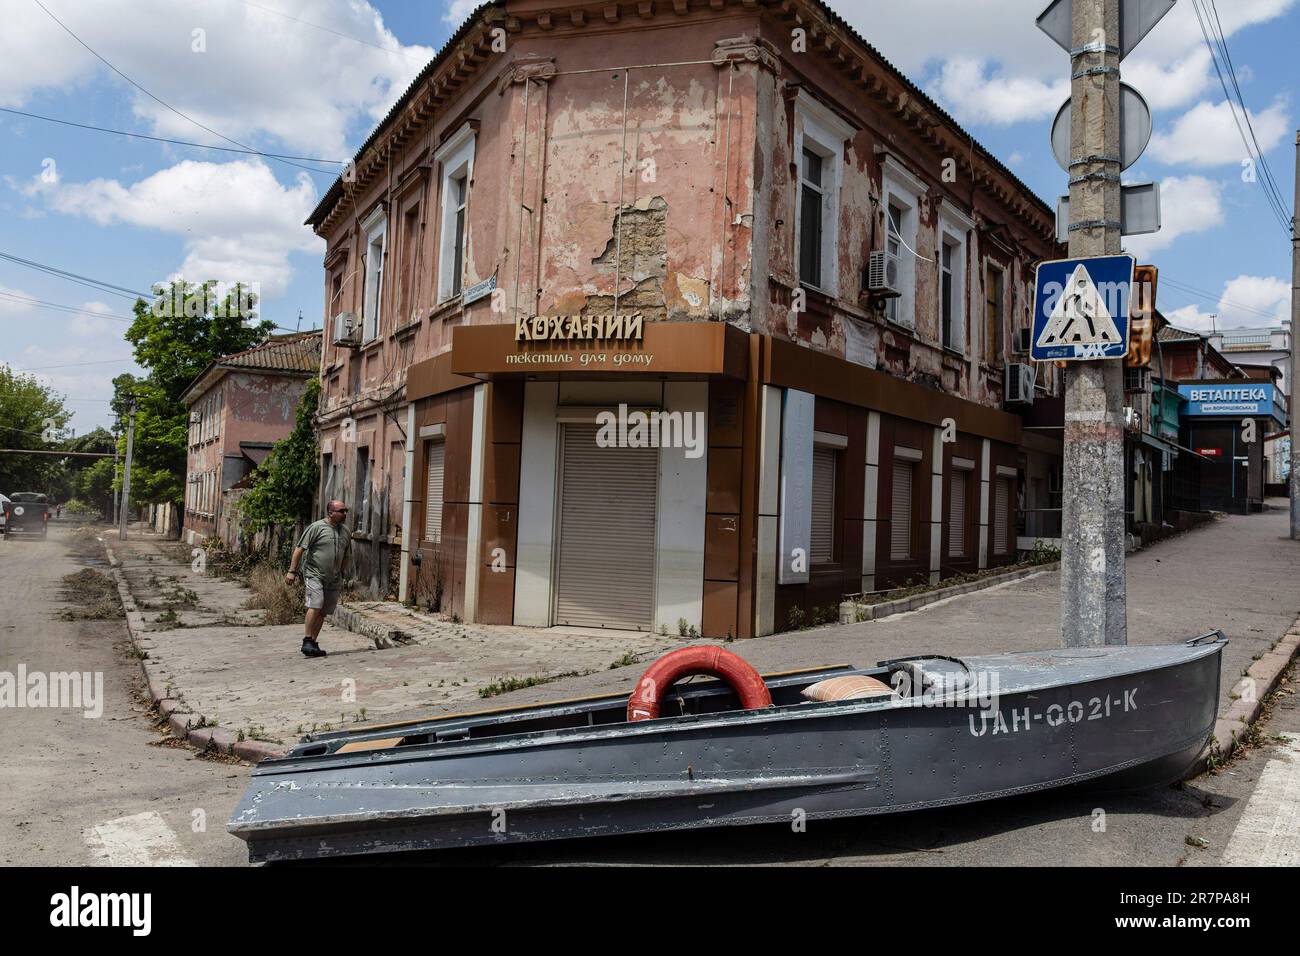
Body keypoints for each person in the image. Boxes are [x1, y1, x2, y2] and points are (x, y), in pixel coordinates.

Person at [285, 500, 353, 658]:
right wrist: (292, 571)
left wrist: (342, 574)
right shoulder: (316, 527)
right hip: (314, 574)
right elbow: (299, 549)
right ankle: (307, 639)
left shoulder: (345, 531)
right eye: (341, 511)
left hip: (334, 577)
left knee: (323, 611)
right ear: (331, 513)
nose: (344, 514)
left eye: (345, 511)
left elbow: (346, 555)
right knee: (315, 604)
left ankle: (313, 644)